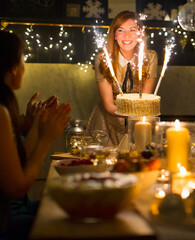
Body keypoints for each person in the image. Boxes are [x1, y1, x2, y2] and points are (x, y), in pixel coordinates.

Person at [0, 30, 71, 239]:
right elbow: (17, 188)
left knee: (67, 203)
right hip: (6, 223)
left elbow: (19, 163)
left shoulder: (5, 105)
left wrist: (37, 125)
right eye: (23, 59)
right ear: (13, 68)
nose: (24, 66)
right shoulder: (1, 111)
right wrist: (45, 140)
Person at [86, 11, 158, 146]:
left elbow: (145, 99)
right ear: (114, 35)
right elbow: (108, 104)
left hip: (139, 123)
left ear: (140, 34)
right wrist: (129, 114)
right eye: (121, 30)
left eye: (132, 30)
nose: (127, 36)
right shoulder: (103, 58)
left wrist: (135, 116)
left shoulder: (150, 57)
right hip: (107, 123)